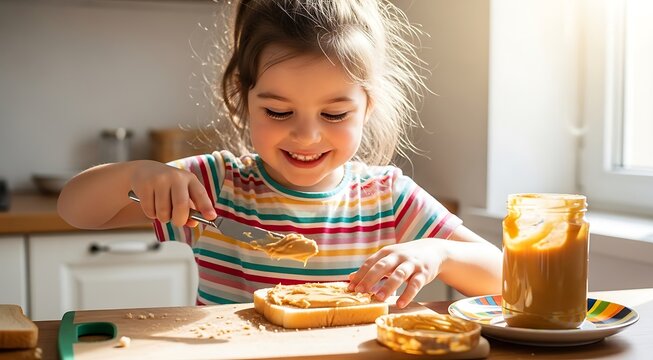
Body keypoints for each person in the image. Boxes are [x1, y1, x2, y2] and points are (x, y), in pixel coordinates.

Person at [58, 0, 502, 309]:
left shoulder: (389, 196)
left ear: (367, 107)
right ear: (243, 98)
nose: (306, 135)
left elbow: (507, 278)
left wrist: (439, 255)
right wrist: (135, 175)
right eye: (278, 110)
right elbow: (76, 210)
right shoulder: (214, 189)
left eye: (334, 113)